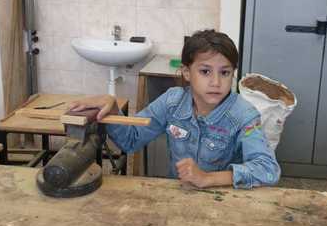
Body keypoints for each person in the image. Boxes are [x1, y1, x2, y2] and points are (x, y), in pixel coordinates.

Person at [70, 29, 280, 190]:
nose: (216, 82)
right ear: (187, 73)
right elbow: (131, 139)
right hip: (179, 197)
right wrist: (112, 108)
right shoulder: (172, 102)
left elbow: (268, 170)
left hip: (224, 201)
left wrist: (208, 178)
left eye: (224, 73)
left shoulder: (244, 115)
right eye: (205, 71)